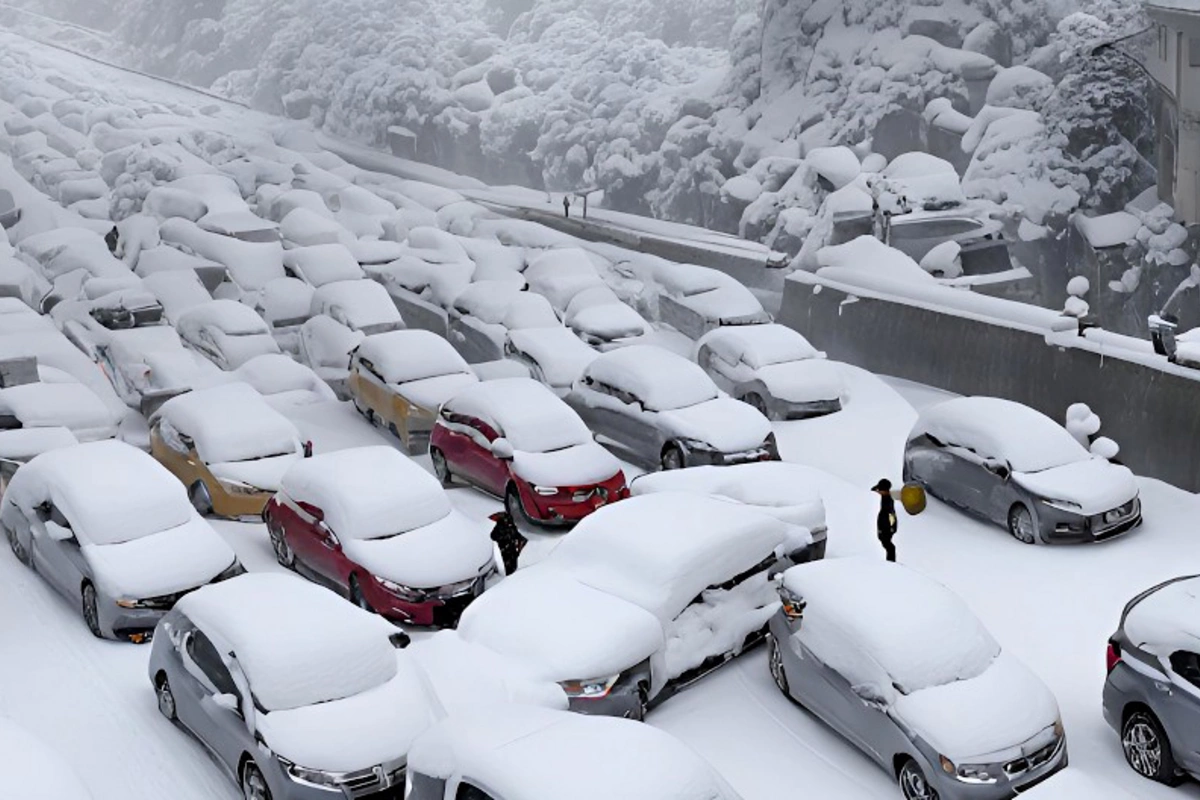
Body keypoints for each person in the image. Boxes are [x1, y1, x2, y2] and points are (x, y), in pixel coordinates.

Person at [488, 510, 527, 575]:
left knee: (512, 566)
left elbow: (517, 534)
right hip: (504, 550)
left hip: (511, 550)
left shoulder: (511, 525)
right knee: (508, 567)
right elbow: (493, 537)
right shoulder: (499, 526)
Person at [872, 478, 898, 562]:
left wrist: (892, 527)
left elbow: (891, 515)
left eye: (881, 490)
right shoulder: (885, 497)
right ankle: (890, 562)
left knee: (889, 546)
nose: (879, 491)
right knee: (889, 546)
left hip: (886, 528)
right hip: (883, 527)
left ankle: (890, 563)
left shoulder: (888, 501)